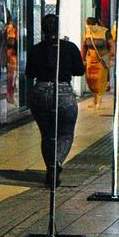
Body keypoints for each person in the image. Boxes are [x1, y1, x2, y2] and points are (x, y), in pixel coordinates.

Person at [25, 14, 87, 187]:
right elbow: (79, 70)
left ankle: (50, 170)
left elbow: (29, 73)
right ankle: (57, 162)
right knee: (65, 133)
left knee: (47, 135)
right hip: (63, 92)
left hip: (40, 91)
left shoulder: (36, 49)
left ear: (42, 29)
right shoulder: (69, 47)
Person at [82, 14, 110, 103]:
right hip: (90, 59)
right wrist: (83, 59)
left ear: (96, 24)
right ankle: (95, 97)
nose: (89, 28)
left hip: (101, 59)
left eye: (90, 26)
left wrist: (111, 57)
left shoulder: (105, 32)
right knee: (90, 79)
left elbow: (112, 45)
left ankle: (99, 99)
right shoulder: (87, 32)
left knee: (100, 79)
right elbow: (84, 46)